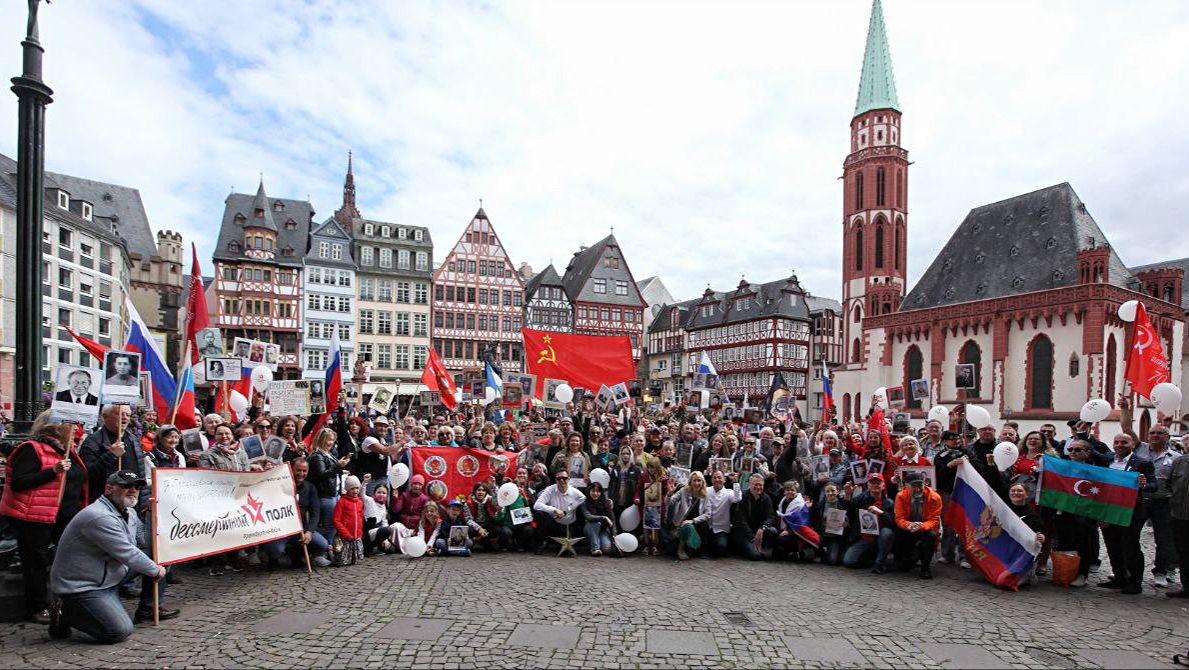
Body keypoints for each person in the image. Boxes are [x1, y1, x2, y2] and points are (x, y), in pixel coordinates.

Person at [48, 471, 174, 643]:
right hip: (84, 586)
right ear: (109, 488)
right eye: (126, 486)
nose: (133, 490)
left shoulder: (129, 512)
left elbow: (144, 542)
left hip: (108, 575)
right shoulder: (99, 516)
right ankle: (65, 610)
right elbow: (128, 552)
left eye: (136, 487)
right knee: (119, 631)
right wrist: (155, 570)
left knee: (159, 554)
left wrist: (150, 514)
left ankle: (148, 608)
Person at [0, 410, 89, 623]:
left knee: (71, 558)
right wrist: (53, 472)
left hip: (65, 516)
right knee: (35, 563)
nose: (76, 429)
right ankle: (38, 606)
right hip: (35, 517)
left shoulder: (67, 451)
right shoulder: (31, 449)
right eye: (70, 424)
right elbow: (19, 482)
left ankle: (70, 600)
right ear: (55, 427)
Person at [1098, 433, 1155, 594]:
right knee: (1112, 545)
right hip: (1109, 510)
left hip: (1131, 512)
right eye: (1116, 442)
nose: (1119, 445)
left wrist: (1143, 485)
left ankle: (1135, 582)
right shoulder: (1107, 459)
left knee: (1130, 547)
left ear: (1132, 444)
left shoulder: (1143, 463)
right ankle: (1119, 577)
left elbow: (1153, 485)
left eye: (1124, 442)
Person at [261, 458, 330, 568]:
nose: (301, 474)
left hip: (301, 529)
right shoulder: (278, 485)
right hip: (281, 531)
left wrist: (309, 532)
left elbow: (315, 513)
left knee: (323, 545)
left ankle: (297, 554)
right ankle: (274, 557)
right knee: (275, 550)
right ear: (291, 470)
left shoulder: (310, 487)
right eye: (298, 470)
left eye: (304, 471)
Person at [80, 405, 144, 506]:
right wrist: (111, 455)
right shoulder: (93, 442)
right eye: (119, 414)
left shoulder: (134, 440)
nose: (125, 418)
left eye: (128, 415)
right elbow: (88, 475)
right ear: (104, 416)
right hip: (106, 503)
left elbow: (141, 472)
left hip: (132, 503)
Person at [842, 472, 895, 573]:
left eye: (878, 483)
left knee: (887, 533)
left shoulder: (889, 503)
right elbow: (848, 508)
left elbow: (893, 523)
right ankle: (870, 556)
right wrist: (848, 495)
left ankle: (880, 563)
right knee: (849, 561)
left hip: (880, 538)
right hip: (864, 538)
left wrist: (881, 513)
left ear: (883, 485)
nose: (875, 485)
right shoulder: (861, 498)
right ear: (868, 485)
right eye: (872, 482)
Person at [893, 470, 942, 579]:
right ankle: (909, 556)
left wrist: (921, 526)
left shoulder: (935, 497)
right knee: (904, 566)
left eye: (920, 485)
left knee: (931, 536)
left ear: (925, 484)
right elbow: (899, 518)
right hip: (908, 528)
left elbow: (934, 520)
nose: (917, 489)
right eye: (913, 486)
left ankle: (925, 567)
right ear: (906, 486)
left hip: (925, 528)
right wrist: (909, 525)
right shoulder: (900, 496)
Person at [307, 428, 345, 556]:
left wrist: (340, 468)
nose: (330, 442)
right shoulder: (318, 456)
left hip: (332, 493)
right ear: (321, 440)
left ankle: (326, 549)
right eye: (328, 439)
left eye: (332, 440)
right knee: (329, 525)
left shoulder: (327, 454)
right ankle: (323, 551)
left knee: (332, 525)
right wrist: (338, 466)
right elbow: (322, 474)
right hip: (324, 495)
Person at [532, 469, 586, 555]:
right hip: (554, 523)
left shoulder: (575, 492)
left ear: (568, 479)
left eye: (564, 478)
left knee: (583, 507)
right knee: (539, 513)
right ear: (555, 480)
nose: (561, 480)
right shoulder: (550, 490)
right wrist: (554, 510)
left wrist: (569, 508)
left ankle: (581, 541)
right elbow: (537, 505)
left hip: (570, 524)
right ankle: (542, 542)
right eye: (559, 478)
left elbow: (584, 499)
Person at [732, 473, 776, 561]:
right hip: (745, 532)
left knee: (773, 531)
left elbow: (770, 516)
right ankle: (745, 548)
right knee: (755, 556)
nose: (758, 487)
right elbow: (741, 520)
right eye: (756, 484)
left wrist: (762, 528)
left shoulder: (766, 498)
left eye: (760, 485)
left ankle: (763, 547)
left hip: (759, 530)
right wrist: (752, 538)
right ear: (749, 484)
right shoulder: (743, 497)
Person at [668, 471, 709, 560]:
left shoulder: (705, 495)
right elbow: (670, 502)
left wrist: (693, 520)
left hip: (696, 524)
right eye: (694, 480)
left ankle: (686, 548)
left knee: (694, 527)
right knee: (670, 551)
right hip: (681, 523)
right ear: (690, 481)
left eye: (699, 480)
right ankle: (681, 546)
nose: (697, 483)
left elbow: (708, 514)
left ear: (702, 482)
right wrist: (669, 494)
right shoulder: (683, 491)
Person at [635, 457, 671, 556]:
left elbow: (665, 492)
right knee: (646, 527)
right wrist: (637, 498)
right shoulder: (643, 476)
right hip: (646, 505)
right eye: (649, 467)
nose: (651, 470)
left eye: (653, 468)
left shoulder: (662, 478)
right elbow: (638, 489)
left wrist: (667, 486)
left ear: (657, 468)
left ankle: (654, 545)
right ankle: (646, 545)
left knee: (655, 527)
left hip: (657, 506)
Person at [582, 482, 617, 556]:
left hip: (603, 530)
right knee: (595, 523)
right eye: (593, 491)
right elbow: (588, 516)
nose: (595, 493)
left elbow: (612, 521)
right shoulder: (584, 503)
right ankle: (595, 548)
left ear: (601, 492)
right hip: (589, 528)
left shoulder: (606, 503)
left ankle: (594, 543)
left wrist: (614, 537)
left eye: (598, 491)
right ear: (589, 491)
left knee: (607, 550)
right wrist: (603, 518)